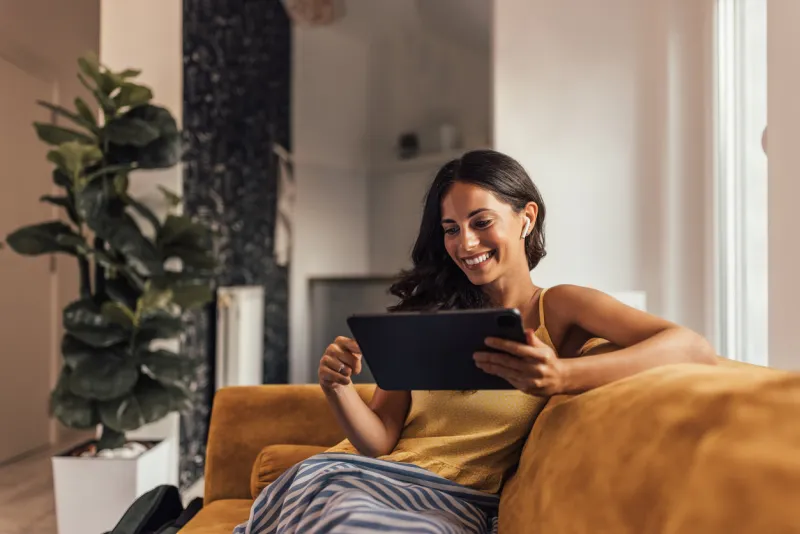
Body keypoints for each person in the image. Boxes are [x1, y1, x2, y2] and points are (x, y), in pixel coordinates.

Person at [235, 149, 717, 534]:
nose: (465, 244)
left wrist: (563, 374)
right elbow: (380, 439)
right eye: (451, 229)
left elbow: (691, 347)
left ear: (526, 217)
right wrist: (337, 387)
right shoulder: (429, 317)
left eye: (481, 222)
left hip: (451, 505)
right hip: (359, 481)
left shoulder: (559, 308)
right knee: (348, 518)